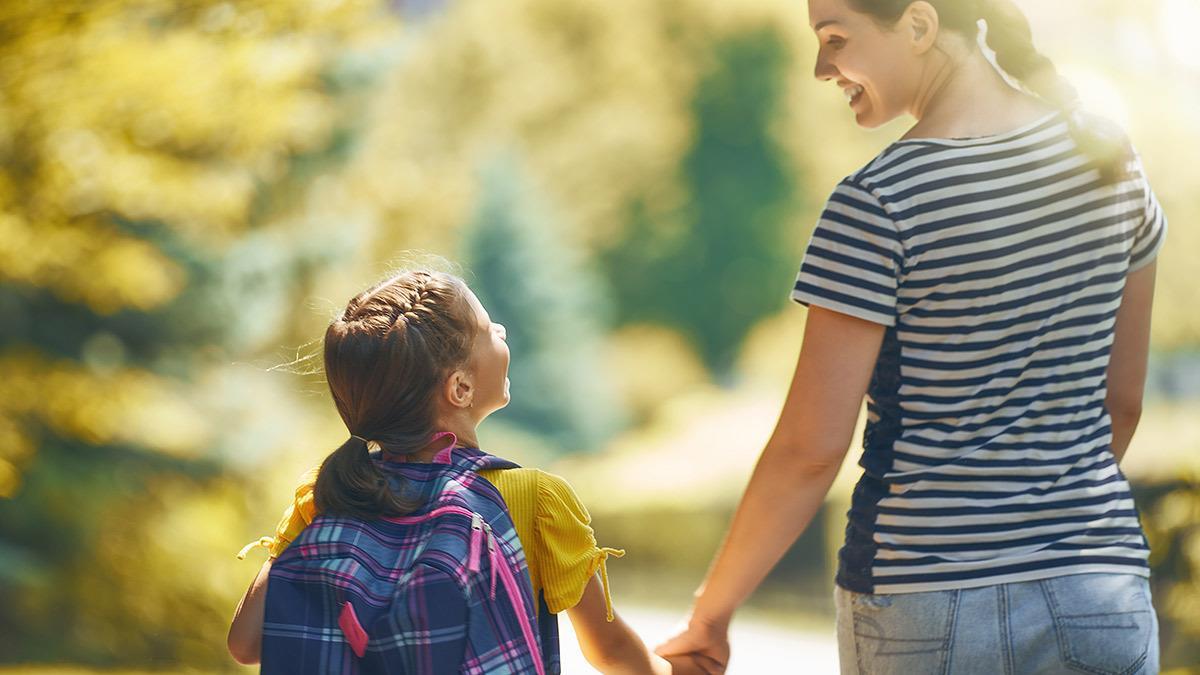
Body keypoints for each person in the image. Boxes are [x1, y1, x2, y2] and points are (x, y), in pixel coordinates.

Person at [656, 1, 1166, 673]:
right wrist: (1047, 520)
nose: (821, 68)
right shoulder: (1110, 161)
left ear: (920, 26)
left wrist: (709, 616)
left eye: (835, 39)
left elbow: (809, 450)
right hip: (1099, 590)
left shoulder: (879, 201)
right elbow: (1122, 402)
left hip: (926, 601)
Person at [228, 269, 700, 674]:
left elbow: (246, 644)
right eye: (487, 330)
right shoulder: (533, 499)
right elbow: (610, 650)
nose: (502, 330)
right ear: (460, 388)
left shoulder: (331, 493)